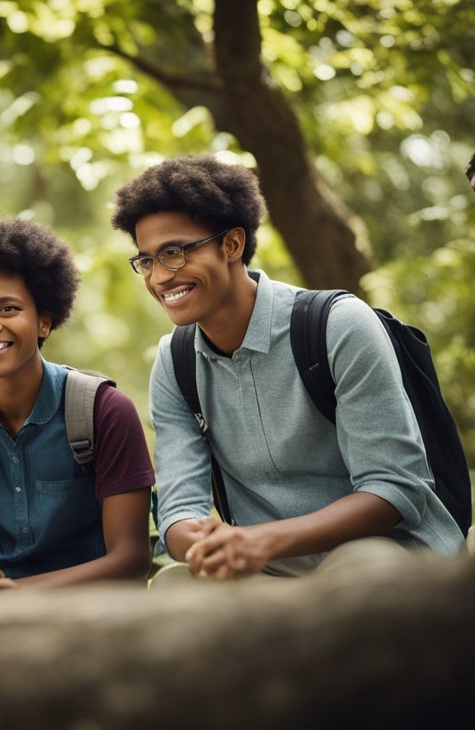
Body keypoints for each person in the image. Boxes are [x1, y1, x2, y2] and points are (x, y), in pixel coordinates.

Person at [111, 155, 464, 581]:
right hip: (265, 564)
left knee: (360, 578)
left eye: (174, 252)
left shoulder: (338, 325)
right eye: (146, 260)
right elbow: (178, 510)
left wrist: (262, 540)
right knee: (173, 584)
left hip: (385, 550)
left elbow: (394, 490)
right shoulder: (175, 361)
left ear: (232, 245)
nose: (159, 277)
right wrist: (205, 542)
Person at [0, 219, 154, 590]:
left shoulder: (104, 411)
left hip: (92, 621)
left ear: (44, 323)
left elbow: (131, 559)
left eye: (7, 309)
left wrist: (13, 597)